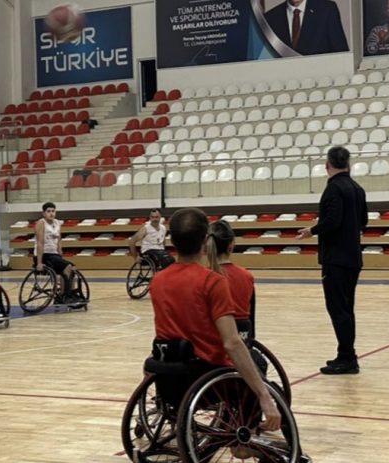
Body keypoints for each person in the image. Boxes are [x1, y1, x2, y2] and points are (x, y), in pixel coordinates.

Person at [149, 207, 279, 432]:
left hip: (169, 374)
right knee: (262, 375)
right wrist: (264, 395)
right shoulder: (212, 281)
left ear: (172, 241)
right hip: (207, 374)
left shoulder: (158, 280)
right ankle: (245, 437)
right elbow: (232, 343)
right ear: (204, 240)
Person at [296, 146, 368, 375]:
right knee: (347, 308)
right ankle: (346, 354)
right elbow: (364, 221)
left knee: (337, 309)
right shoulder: (357, 188)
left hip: (336, 258)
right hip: (353, 257)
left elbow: (333, 220)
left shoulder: (333, 189)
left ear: (327, 165)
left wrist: (312, 230)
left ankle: (347, 358)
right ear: (349, 164)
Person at [206, 219, 256, 337]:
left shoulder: (204, 276)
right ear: (231, 245)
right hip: (242, 336)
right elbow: (250, 316)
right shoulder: (246, 276)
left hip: (212, 339)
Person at [34, 202, 84, 305]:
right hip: (44, 255)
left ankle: (68, 293)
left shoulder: (57, 222)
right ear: (43, 213)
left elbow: (59, 239)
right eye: (48, 211)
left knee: (72, 268)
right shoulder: (41, 223)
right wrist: (39, 262)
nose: (51, 213)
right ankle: (65, 295)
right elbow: (40, 243)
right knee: (67, 267)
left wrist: (60, 253)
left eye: (53, 211)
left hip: (54, 255)